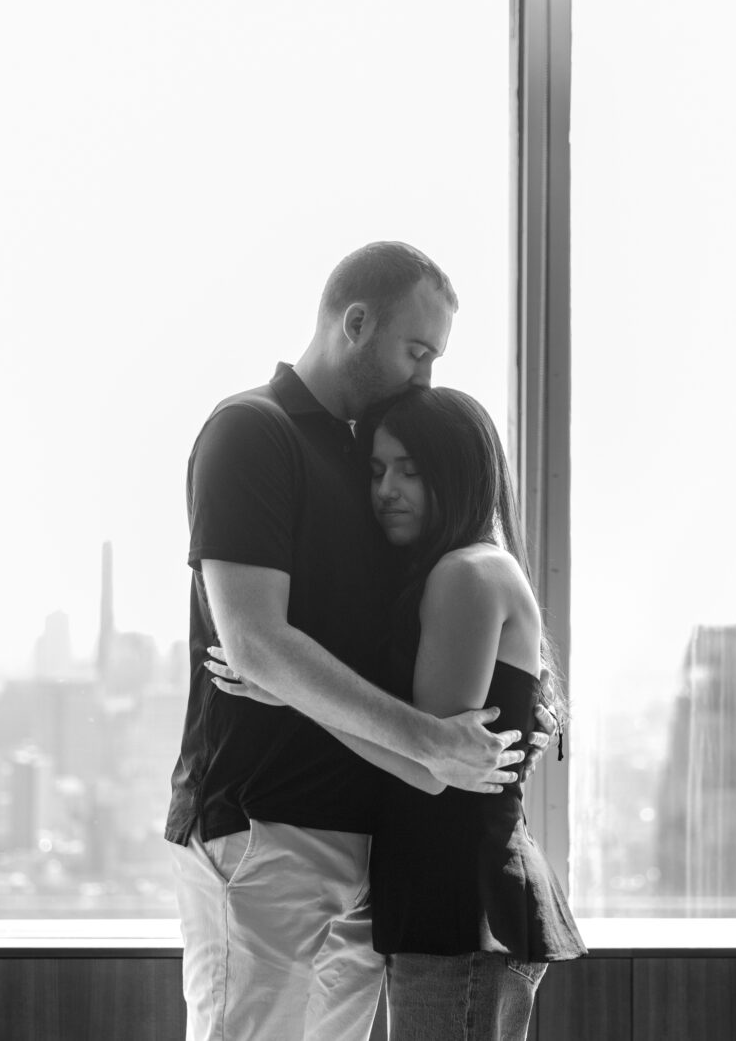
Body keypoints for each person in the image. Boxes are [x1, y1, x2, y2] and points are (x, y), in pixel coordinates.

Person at [167, 242, 549, 1041]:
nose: (426, 377)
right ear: (356, 323)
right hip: (263, 826)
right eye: (417, 351)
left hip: (369, 843)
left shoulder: (366, 458)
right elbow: (254, 643)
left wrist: (525, 705)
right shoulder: (251, 430)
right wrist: (435, 744)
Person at [211, 386, 585, 1040]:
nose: (387, 488)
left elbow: (430, 766)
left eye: (411, 469)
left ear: (460, 473)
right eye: (379, 469)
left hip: (459, 905)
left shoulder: (464, 574)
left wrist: (295, 692)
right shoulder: (464, 569)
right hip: (454, 902)